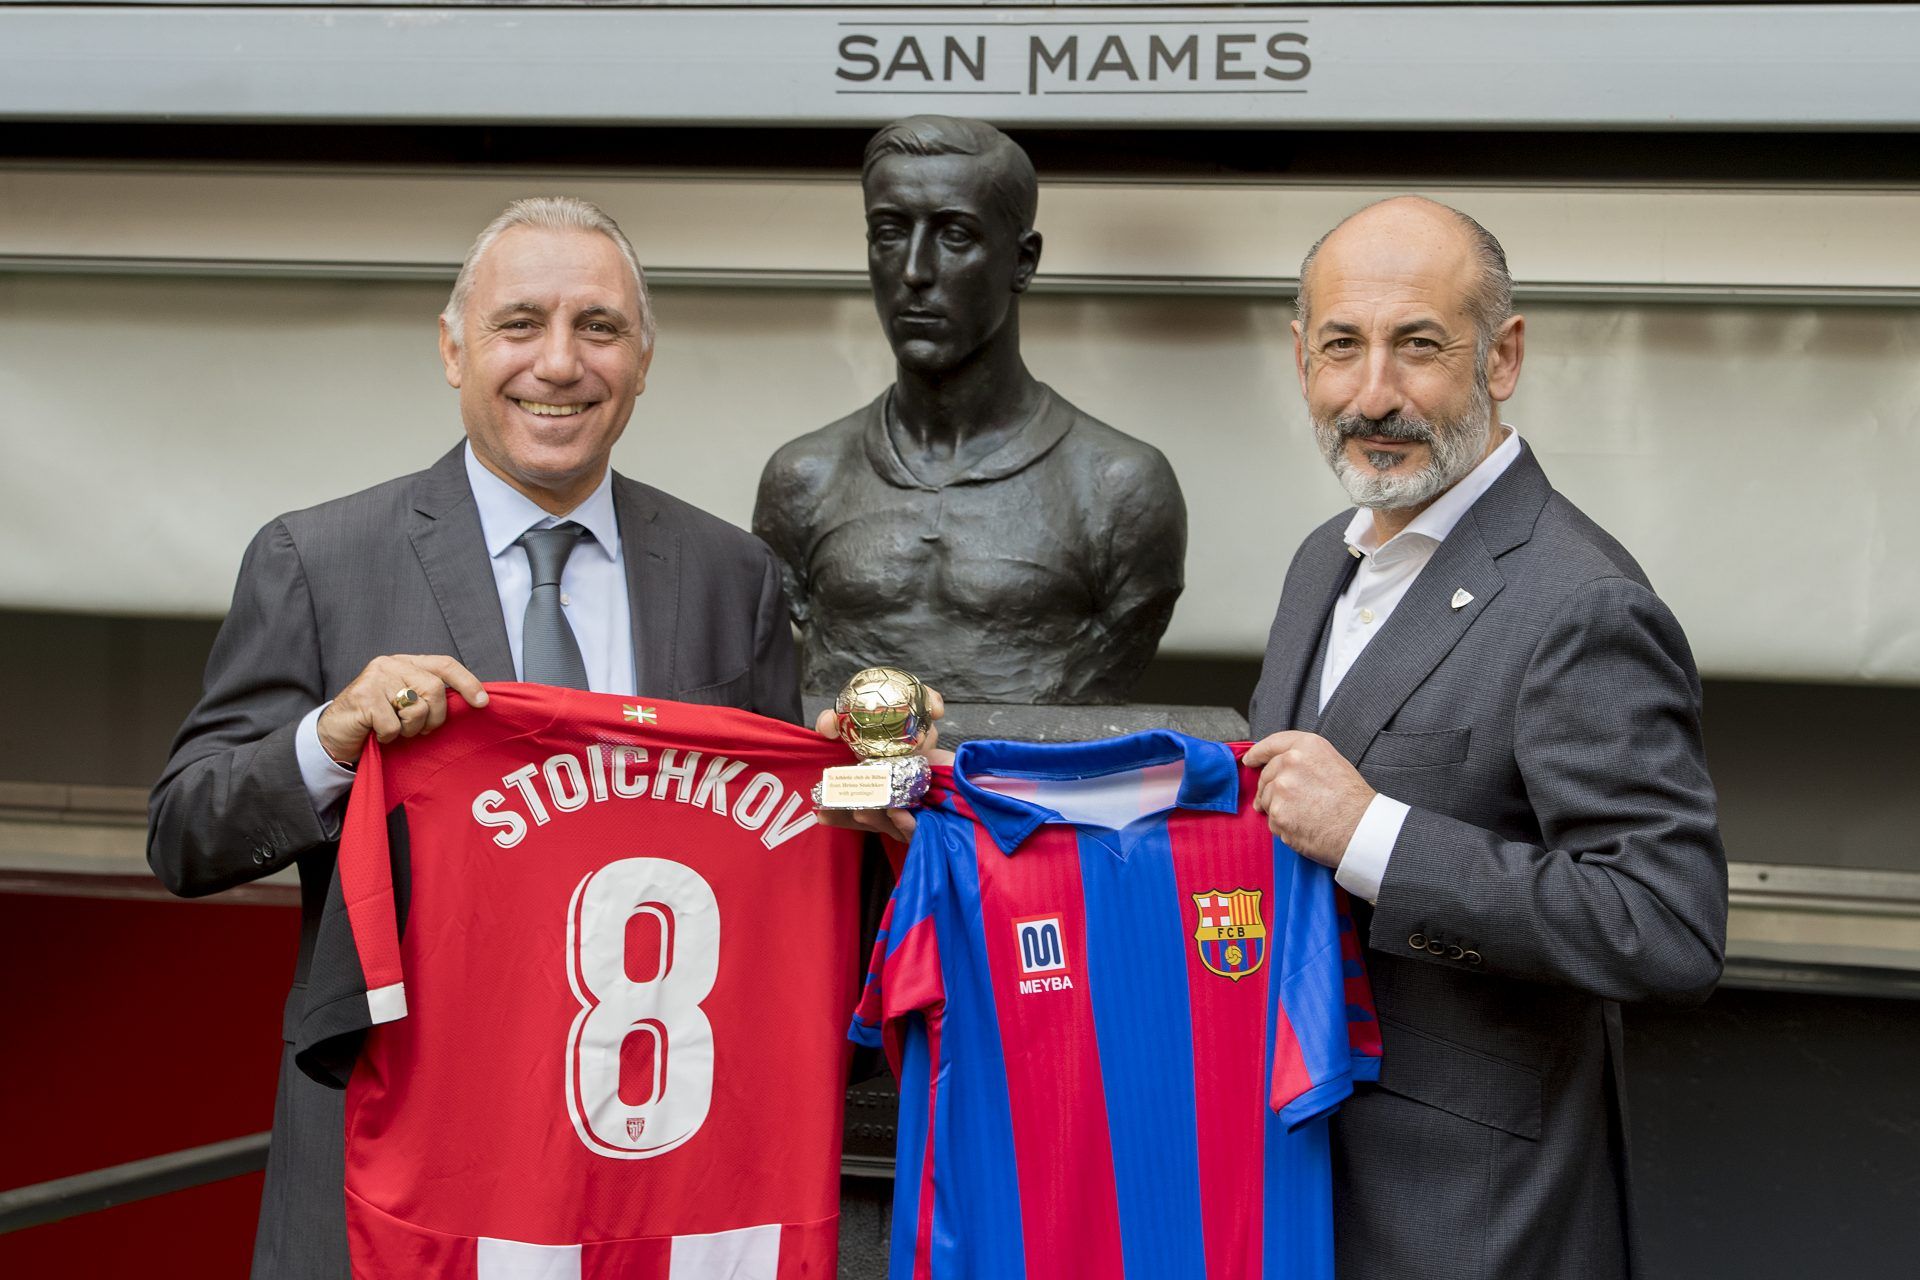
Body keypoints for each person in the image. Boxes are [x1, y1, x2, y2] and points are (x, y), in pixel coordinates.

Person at [147, 196, 800, 1279]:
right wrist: (332, 738)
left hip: (645, 1161)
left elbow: (776, 867)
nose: (559, 361)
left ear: (644, 358)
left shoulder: (735, 577)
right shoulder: (319, 559)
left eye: (598, 327)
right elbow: (184, 832)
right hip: (396, 1165)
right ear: (453, 350)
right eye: (519, 324)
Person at [1239, 196, 1727, 1278]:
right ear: (1299, 357)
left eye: (1419, 346)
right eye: (1341, 347)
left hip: (1471, 1217)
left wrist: (1375, 835)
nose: (1374, 393)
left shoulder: (1583, 601)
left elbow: (1665, 921)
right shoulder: (1325, 556)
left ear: (1502, 357)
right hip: (1298, 1181)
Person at [754, 115, 1186, 705]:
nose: (914, 271)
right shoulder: (802, 478)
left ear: (1023, 261)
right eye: (888, 233)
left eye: (955, 235)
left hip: (1031, 793)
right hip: (845, 794)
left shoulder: (1122, 487)